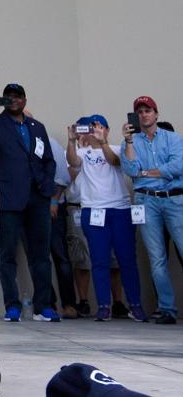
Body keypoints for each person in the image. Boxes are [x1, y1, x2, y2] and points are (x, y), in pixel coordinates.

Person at [0, 83, 59, 322]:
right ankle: (12, 306)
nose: (13, 100)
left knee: (40, 255)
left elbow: (48, 160)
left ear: (25, 100)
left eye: (17, 97)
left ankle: (43, 306)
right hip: (8, 198)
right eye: (8, 97)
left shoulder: (37, 127)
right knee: (7, 255)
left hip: (37, 198)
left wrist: (48, 186)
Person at [66, 115, 148, 322]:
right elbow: (73, 161)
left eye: (98, 126)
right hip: (93, 211)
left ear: (107, 130)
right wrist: (71, 140)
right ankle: (104, 306)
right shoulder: (83, 152)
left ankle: (135, 305)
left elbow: (115, 161)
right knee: (99, 260)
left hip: (119, 210)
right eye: (91, 127)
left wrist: (102, 142)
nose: (94, 130)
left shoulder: (117, 148)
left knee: (127, 260)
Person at [120, 95, 183, 324]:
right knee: (157, 258)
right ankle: (167, 309)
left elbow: (177, 167)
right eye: (140, 112)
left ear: (156, 114)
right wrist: (127, 142)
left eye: (148, 110)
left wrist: (146, 172)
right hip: (146, 201)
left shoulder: (173, 139)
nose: (144, 115)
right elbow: (130, 169)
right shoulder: (132, 142)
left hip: (174, 199)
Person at [46, 132, 80, 318]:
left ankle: (69, 304)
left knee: (60, 256)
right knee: (37, 259)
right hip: (26, 208)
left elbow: (62, 174)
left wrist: (54, 201)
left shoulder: (48, 141)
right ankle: (47, 304)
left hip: (52, 207)